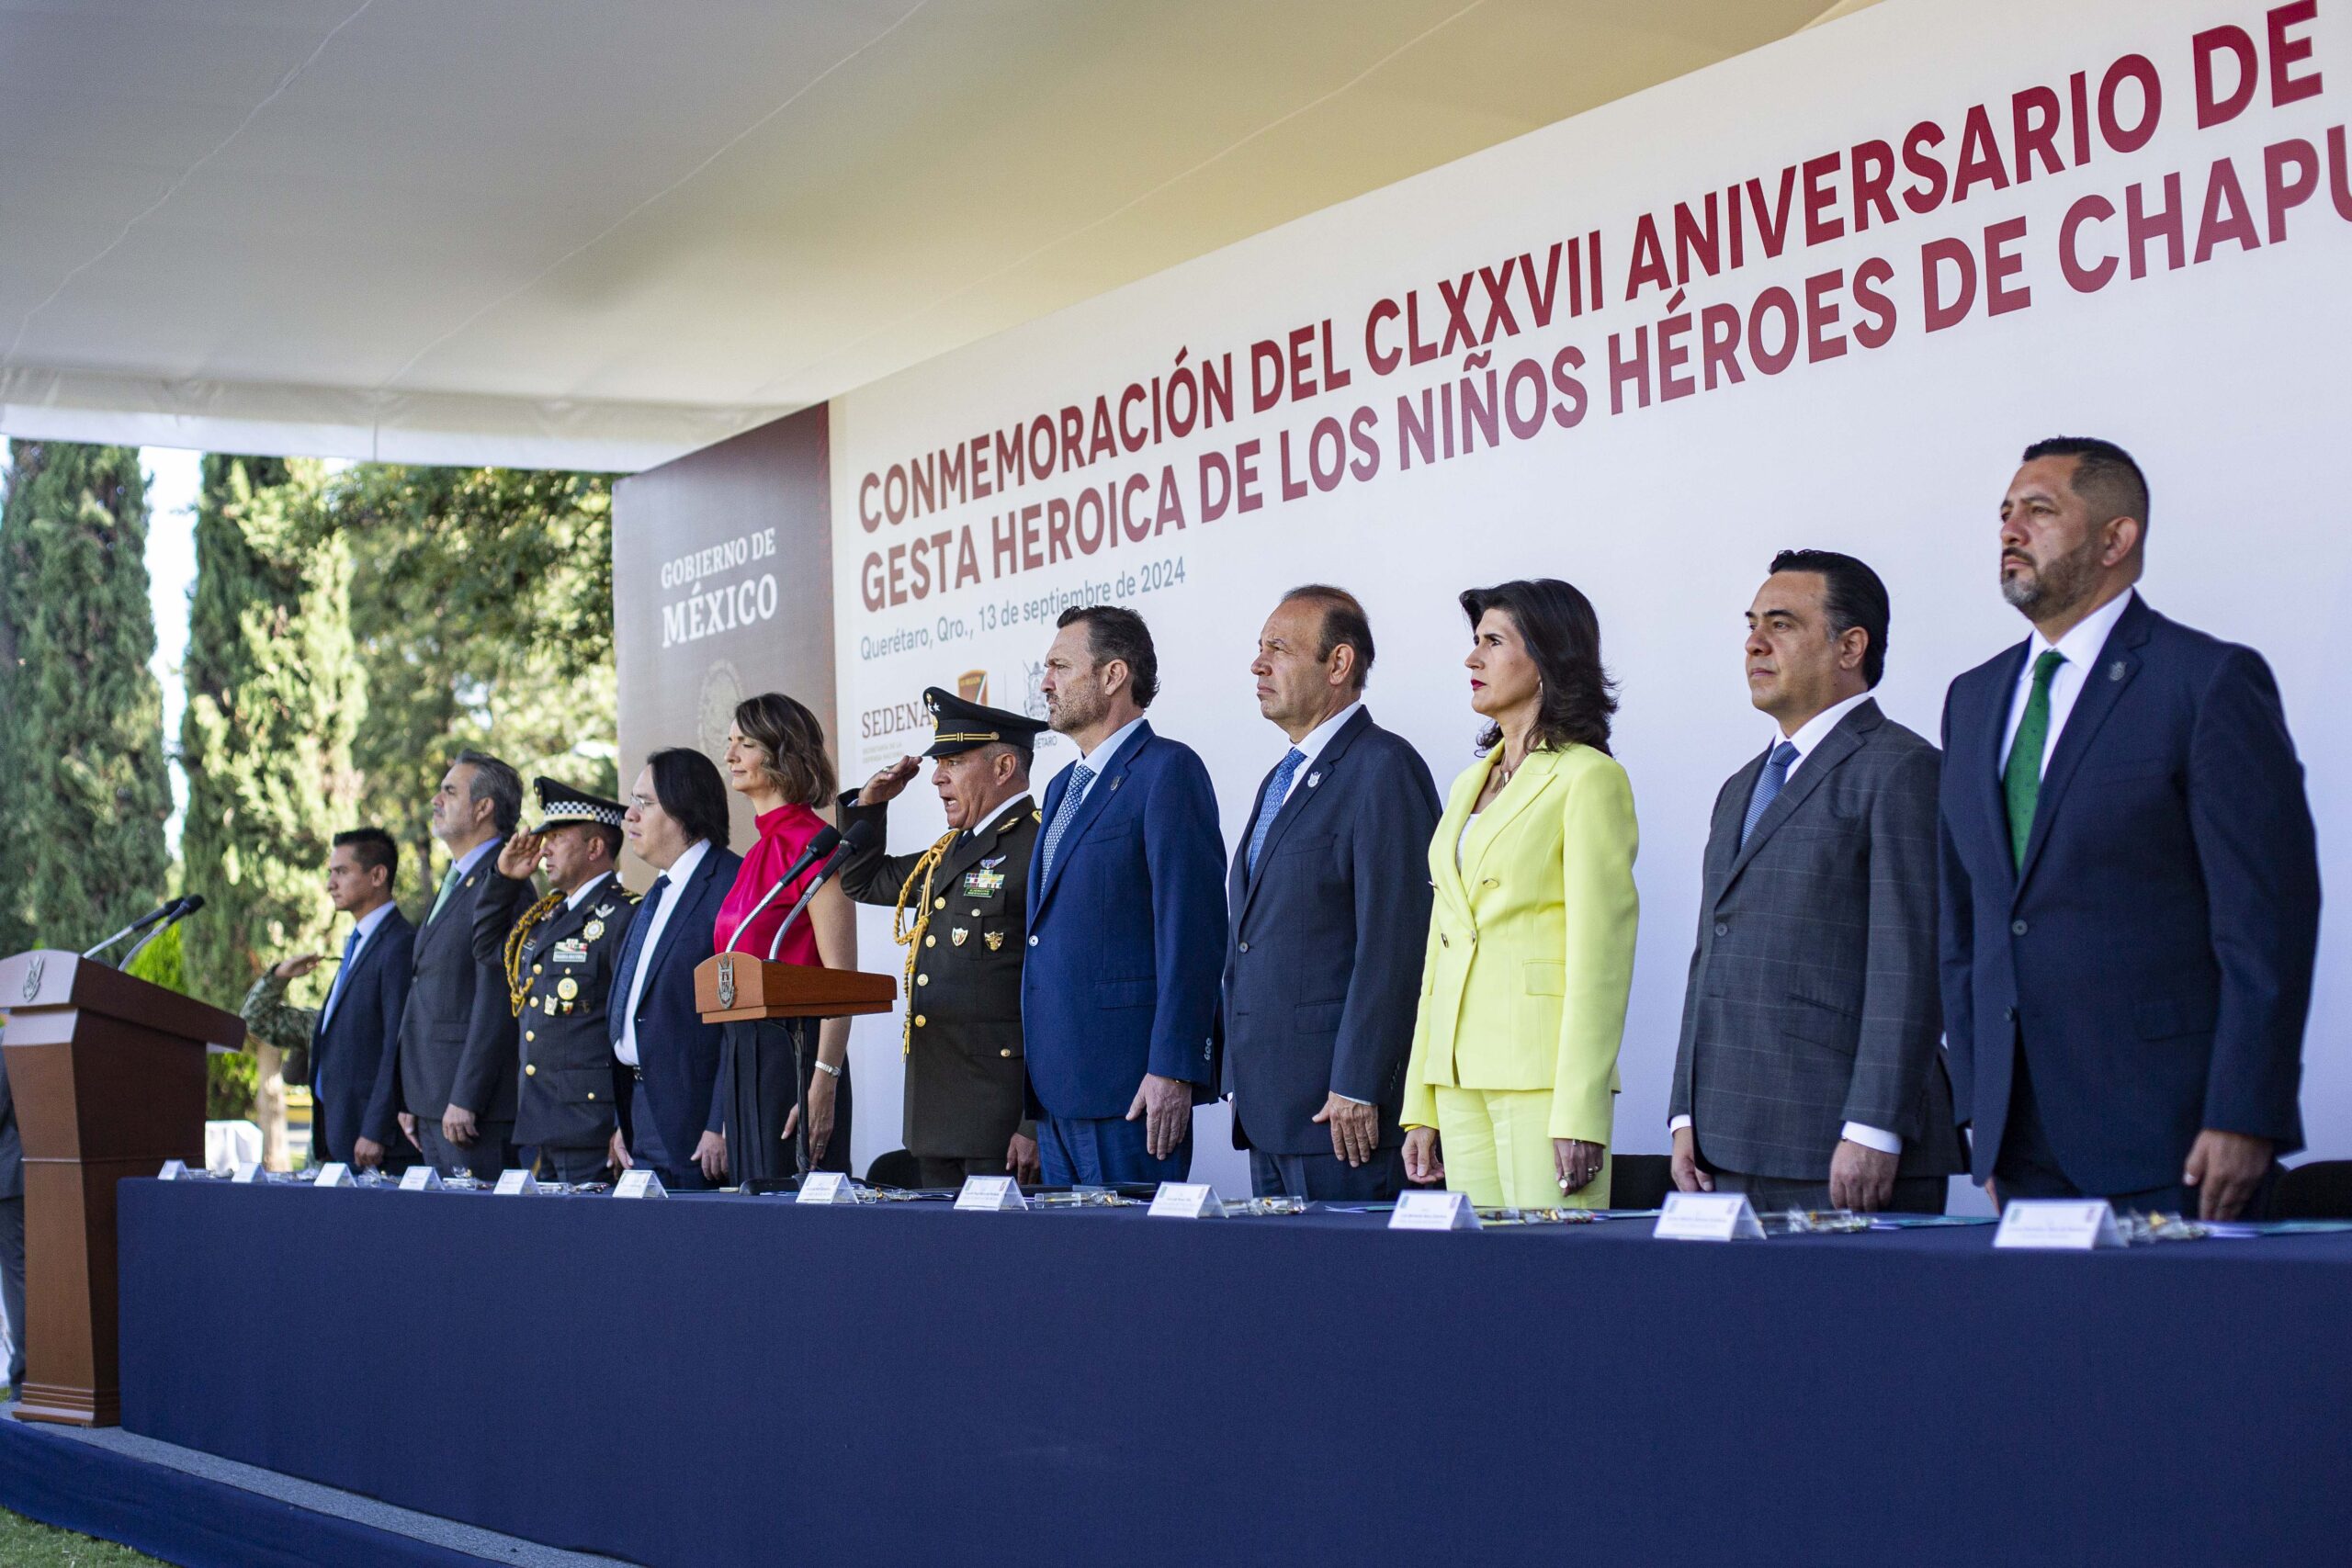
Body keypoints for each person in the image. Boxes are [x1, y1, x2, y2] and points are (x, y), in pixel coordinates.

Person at [1939, 437, 2318, 1221]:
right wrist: (1980, 1103)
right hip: (2019, 1141)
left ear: (2117, 539)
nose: (2011, 529)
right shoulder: (1971, 700)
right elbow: (1967, 921)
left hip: (2173, 1135)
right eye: (2005, 513)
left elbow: (2266, 919)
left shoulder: (2205, 682)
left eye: (2039, 511)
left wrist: (2245, 1108)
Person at [1668, 552, 1961, 1213]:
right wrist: (1685, 1111)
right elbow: (1709, 953)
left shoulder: (1903, 768)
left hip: (1841, 1142)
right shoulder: (1739, 787)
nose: (1754, 642)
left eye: (1782, 624)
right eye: (1751, 624)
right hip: (1724, 1142)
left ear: (1850, 646)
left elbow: (1911, 961)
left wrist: (1873, 1126)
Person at [1400, 580, 1638, 1210]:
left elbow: (1602, 958)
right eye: (1474, 642)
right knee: (1482, 1288)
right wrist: (1420, 1099)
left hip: (1543, 1080)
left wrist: (1581, 1106)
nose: (1472, 659)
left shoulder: (1590, 777)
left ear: (1546, 660)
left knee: (1557, 1286)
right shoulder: (1464, 786)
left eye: (1494, 642)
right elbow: (1440, 950)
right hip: (1456, 1077)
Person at [1222, 586, 1440, 1201]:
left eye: (1279, 649)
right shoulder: (1278, 779)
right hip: (1270, 1114)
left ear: (1338, 664)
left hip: (1341, 1116)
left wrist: (1360, 1080)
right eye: (1258, 649)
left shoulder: (1383, 767)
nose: (1258, 665)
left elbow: (1397, 942)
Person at [1023, 604, 1227, 1187]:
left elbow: (1193, 932)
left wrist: (1173, 1065)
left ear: (1114, 676)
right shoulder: (1063, 785)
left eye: (1061, 666)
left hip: (1130, 1088)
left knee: (1130, 1273)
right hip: (1057, 1088)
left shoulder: (1168, 771)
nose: (1045, 682)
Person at [839, 687, 1046, 1188]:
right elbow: (863, 882)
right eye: (939, 762)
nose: (936, 776)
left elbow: (1053, 992)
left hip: (1001, 1125)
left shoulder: (1041, 845)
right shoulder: (948, 854)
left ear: (1003, 768)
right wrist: (869, 806)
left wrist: (1034, 1121)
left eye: (953, 761)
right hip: (936, 1116)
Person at [713, 694, 855, 1181]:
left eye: (744, 744)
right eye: (730, 742)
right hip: (744, 1053)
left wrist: (823, 1082)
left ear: (782, 754)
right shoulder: (756, 852)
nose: (729, 756)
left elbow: (841, 979)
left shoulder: (814, 846)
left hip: (797, 1057)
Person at [476, 779, 639, 1184]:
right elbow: (487, 949)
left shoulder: (622, 916)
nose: (543, 848)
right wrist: (503, 879)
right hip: (541, 1121)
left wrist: (626, 1121)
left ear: (595, 847)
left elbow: (632, 1026)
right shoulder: (546, 917)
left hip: (592, 1127)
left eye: (558, 838)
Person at [240, 829, 416, 1170]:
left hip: (373, 1143)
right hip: (338, 1137)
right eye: (330, 873)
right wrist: (279, 976)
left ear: (378, 875)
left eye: (342, 872)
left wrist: (376, 1129)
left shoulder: (398, 944)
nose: (330, 884)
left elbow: (398, 1043)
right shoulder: (358, 944)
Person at [395, 750, 532, 1179]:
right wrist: (412, 1096)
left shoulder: (506, 880)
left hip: (472, 1112)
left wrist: (466, 1096)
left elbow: (496, 999)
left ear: (484, 807)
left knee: (479, 1241)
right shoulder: (458, 877)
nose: (436, 799)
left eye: (449, 791)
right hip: (434, 1101)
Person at [608, 749, 741, 1190]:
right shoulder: (656, 892)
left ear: (684, 809)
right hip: (641, 1117)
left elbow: (739, 1020)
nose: (630, 815)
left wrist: (720, 1122)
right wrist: (622, 1120)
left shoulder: (729, 884)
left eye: (644, 803)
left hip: (697, 1128)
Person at [0, 1049, 21, 1395]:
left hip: (10, 1178)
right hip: (23, 1174)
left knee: (19, 1276)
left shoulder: (7, 1044)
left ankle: (25, 1376)